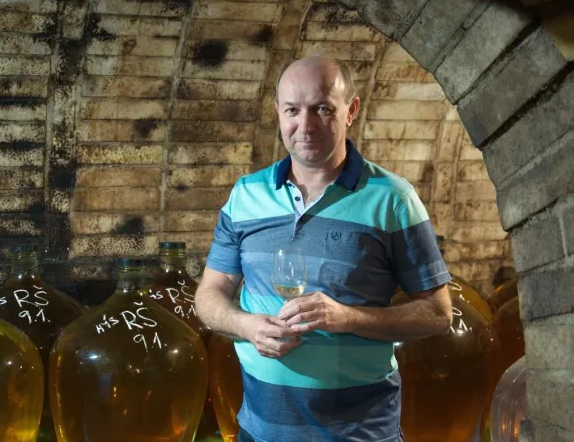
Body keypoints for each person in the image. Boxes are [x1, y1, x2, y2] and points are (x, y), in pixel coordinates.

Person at [194, 56, 453, 442]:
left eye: (322, 109)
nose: (306, 126)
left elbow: (437, 313)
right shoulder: (245, 195)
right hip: (259, 432)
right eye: (292, 110)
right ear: (277, 113)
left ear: (351, 111)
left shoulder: (393, 199)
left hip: (359, 435)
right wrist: (245, 326)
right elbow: (209, 295)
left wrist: (346, 317)